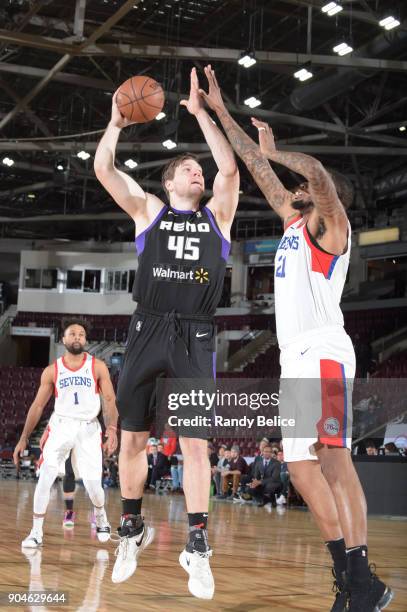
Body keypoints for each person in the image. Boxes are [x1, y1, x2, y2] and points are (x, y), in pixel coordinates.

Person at [198, 66, 393, 612]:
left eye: (306, 190)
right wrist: (218, 108)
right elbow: (256, 164)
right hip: (294, 360)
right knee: (303, 473)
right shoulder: (291, 220)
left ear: (327, 200)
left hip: (326, 351)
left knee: (334, 460)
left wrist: (286, 156)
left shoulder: (333, 227)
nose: (297, 191)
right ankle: (357, 582)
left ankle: (361, 579)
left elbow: (315, 173)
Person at [94, 66, 239, 600]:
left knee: (196, 446)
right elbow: (104, 168)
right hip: (147, 327)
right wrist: (114, 123)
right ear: (169, 182)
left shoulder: (218, 218)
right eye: (188, 169)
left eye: (199, 170)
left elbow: (229, 171)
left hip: (196, 336)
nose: (198, 174)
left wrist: (202, 114)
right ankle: (130, 528)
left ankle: (196, 544)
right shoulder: (149, 212)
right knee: (132, 437)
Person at [13, 319, 118, 548]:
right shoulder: (52, 370)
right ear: (63, 339)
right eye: (72, 334)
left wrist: (112, 429)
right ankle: (36, 532)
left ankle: (100, 515)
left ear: (86, 340)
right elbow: (38, 406)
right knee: (45, 477)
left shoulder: (97, 366)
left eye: (81, 334)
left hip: (89, 426)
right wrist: (23, 438)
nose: (77, 337)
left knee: (93, 487)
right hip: (60, 425)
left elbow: (109, 401)